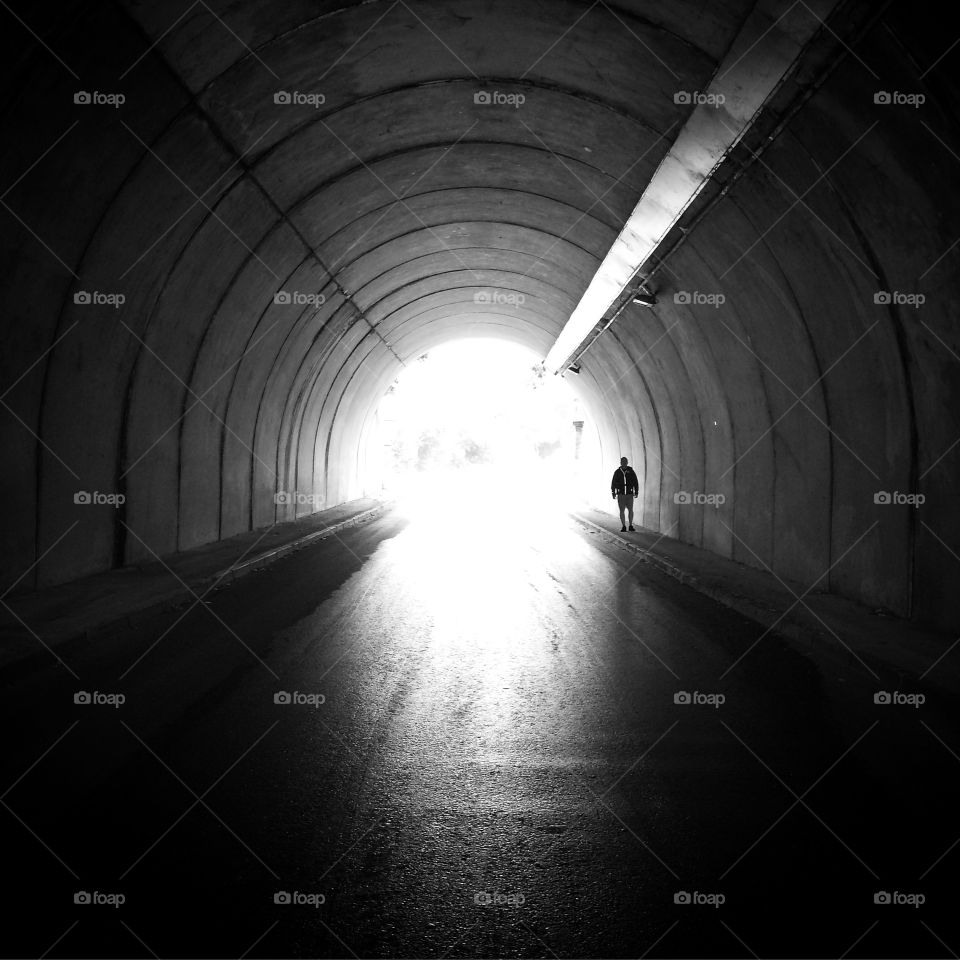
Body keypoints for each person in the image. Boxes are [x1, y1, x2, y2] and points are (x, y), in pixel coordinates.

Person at [611, 457, 639, 532]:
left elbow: (635, 482)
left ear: (627, 462)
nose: (624, 463)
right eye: (622, 461)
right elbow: (613, 483)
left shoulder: (631, 471)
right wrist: (613, 492)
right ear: (620, 462)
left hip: (629, 494)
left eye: (625, 461)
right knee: (622, 510)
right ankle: (623, 526)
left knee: (630, 510)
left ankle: (630, 525)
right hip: (621, 494)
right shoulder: (617, 472)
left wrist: (636, 491)